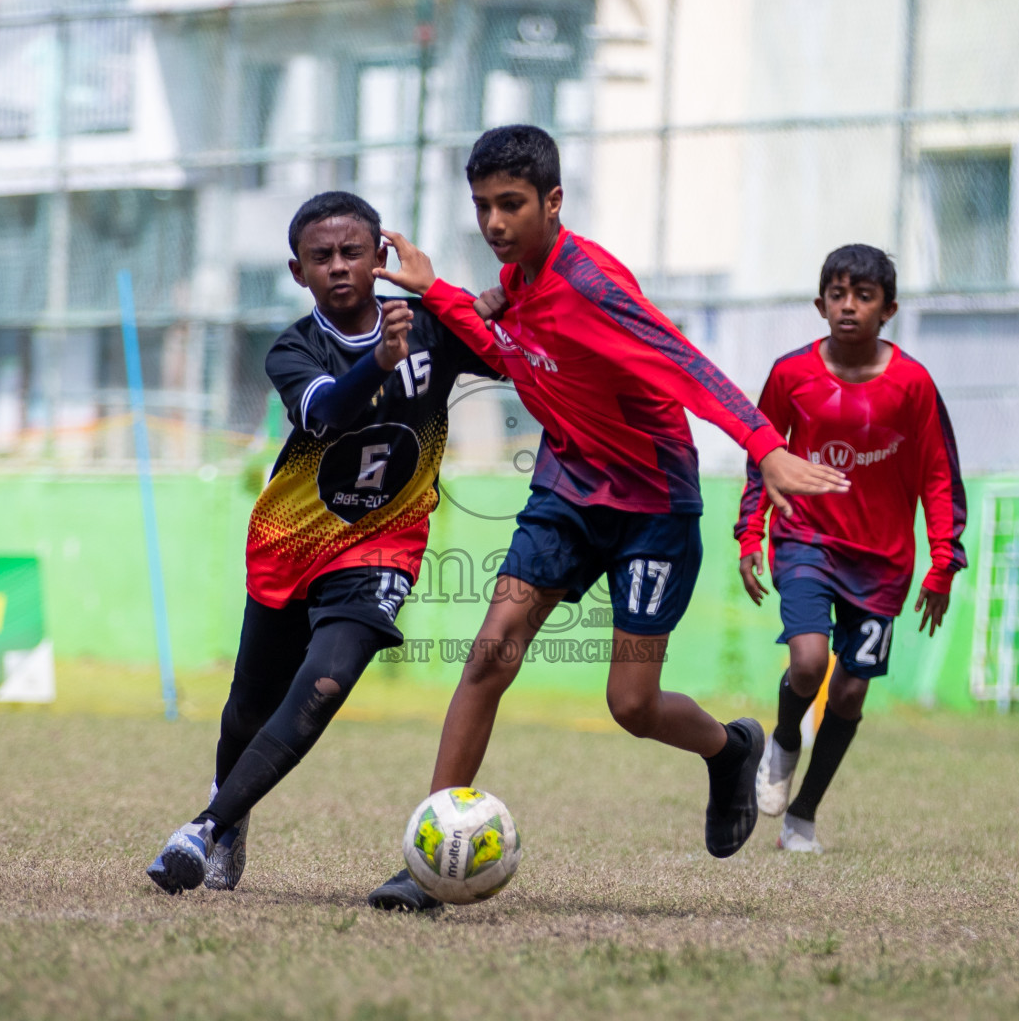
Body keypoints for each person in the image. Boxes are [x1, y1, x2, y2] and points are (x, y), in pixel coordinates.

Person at [364, 124, 850, 911]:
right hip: (566, 492)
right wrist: (434, 289)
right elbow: (503, 342)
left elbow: (685, 363)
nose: (494, 222)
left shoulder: (592, 285)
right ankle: (429, 856)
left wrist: (763, 446)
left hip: (652, 505)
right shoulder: (517, 276)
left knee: (630, 705)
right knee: (489, 656)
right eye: (483, 205)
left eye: (511, 205)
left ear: (553, 202)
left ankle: (730, 751)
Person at [145, 191, 500, 893]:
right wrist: (379, 363)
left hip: (384, 544)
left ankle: (206, 827)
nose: (339, 267)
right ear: (297, 270)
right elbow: (329, 413)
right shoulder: (293, 347)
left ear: (381, 257)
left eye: (352, 253)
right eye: (321, 257)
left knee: (326, 683)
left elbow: (514, 353)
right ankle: (235, 808)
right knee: (248, 708)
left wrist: (452, 299)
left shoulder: (433, 326)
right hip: (292, 541)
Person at [735, 243, 967, 854]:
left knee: (852, 691)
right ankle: (785, 739)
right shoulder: (791, 375)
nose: (848, 306)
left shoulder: (913, 385)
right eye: (837, 294)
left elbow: (940, 475)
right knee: (809, 663)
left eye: (863, 296)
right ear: (820, 303)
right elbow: (763, 455)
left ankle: (802, 818)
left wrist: (945, 560)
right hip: (807, 540)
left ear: (887, 308)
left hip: (883, 562)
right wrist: (749, 532)